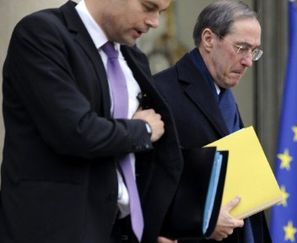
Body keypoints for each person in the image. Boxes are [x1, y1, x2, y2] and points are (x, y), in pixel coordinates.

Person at [0, 0, 182, 242]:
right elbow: (77, 131)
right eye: (148, 7)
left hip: (121, 229)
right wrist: (143, 129)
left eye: (160, 12)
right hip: (56, 230)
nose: (155, 22)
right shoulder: (41, 33)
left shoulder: (133, 56)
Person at [153, 1, 271, 242]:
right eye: (241, 48)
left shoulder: (223, 93)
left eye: (254, 51)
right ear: (208, 39)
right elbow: (150, 189)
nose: (248, 61)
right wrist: (203, 223)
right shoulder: (161, 92)